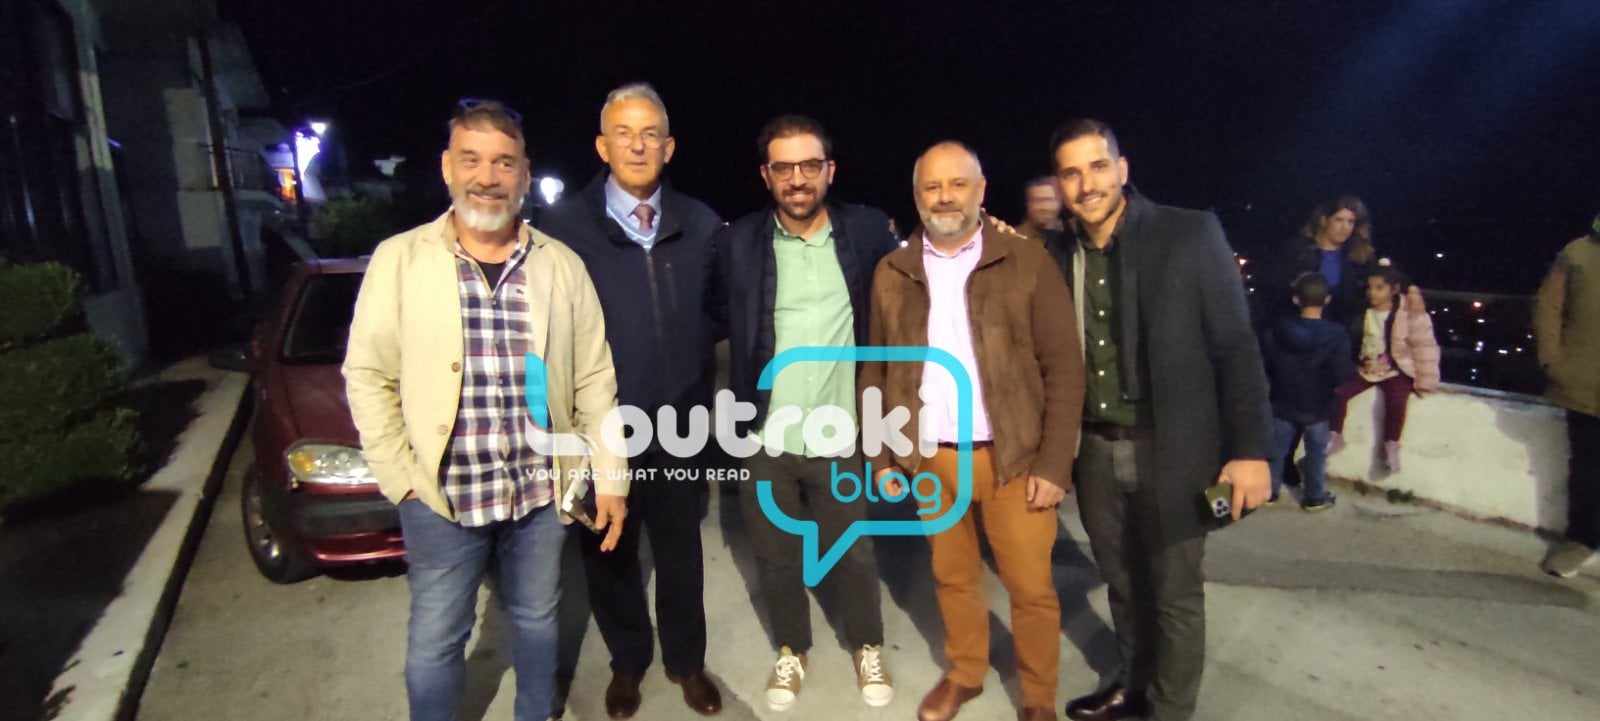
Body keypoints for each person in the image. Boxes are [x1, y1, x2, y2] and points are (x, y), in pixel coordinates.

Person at [342, 99, 627, 721]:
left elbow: (594, 379)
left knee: (537, 619)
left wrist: (610, 478)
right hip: (439, 497)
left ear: (524, 175)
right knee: (437, 638)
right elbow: (367, 374)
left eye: (504, 162)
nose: (487, 177)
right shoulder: (401, 260)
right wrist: (400, 478)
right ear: (448, 168)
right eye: (471, 160)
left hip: (539, 496)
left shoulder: (560, 266)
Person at [1050, 119, 1273, 721]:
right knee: (1122, 581)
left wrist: (1251, 451)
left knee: (1175, 590)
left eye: (1098, 167)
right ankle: (1133, 685)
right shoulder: (1057, 252)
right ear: (1059, 185)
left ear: (1122, 169)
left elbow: (1236, 346)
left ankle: (1169, 710)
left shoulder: (1189, 233)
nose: (1087, 184)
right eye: (1072, 173)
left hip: (1177, 450)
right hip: (1095, 451)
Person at [861, 140, 1084, 721]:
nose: (945, 197)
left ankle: (1038, 698)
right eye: (932, 186)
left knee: (1031, 588)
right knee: (952, 577)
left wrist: (1054, 463)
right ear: (916, 196)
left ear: (981, 191)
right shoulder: (893, 272)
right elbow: (876, 370)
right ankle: (965, 673)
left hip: (1014, 460)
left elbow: (1064, 367)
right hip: (932, 459)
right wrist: (881, 457)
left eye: (957, 183)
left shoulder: (1026, 262)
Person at [534, 82, 724, 719]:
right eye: (624, 133)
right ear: (602, 146)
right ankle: (628, 661)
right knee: (608, 553)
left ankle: (686, 662)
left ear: (669, 147)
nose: (637, 146)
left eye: (650, 134)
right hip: (602, 429)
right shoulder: (564, 229)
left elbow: (718, 311)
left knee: (681, 554)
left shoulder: (700, 224)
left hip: (679, 426)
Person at [713, 114, 902, 713]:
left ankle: (867, 644)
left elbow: (920, 274)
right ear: (766, 175)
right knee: (775, 558)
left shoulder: (866, 231)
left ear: (830, 170)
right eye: (784, 167)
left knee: (854, 553)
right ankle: (792, 649)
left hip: (840, 433)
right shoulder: (740, 242)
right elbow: (702, 311)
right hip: (764, 438)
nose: (798, 178)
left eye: (810, 165)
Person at [1534, 213, 1600, 579]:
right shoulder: (1577, 252)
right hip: (1585, 382)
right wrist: (1552, 360)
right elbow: (1549, 306)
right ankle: (1582, 540)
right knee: (1587, 466)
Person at [1327, 268, 1440, 472]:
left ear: (1394, 289)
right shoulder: (1362, 313)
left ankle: (1391, 444)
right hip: (1366, 368)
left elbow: (1424, 345)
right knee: (1339, 392)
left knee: (1397, 400)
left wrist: (1425, 380)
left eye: (1379, 288)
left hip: (1395, 369)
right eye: (1369, 288)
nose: (1372, 293)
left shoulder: (1406, 314)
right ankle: (1335, 435)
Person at [1260, 272, 1353, 510]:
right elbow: (1342, 373)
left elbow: (1266, 363)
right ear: (1327, 300)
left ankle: (1268, 492)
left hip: (1282, 399)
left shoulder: (1278, 329)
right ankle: (1314, 497)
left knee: (1276, 451)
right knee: (1316, 454)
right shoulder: (1336, 334)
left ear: (1296, 299)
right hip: (1319, 404)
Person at [1261, 196, 1379, 326]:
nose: (1345, 227)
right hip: (1295, 328)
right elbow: (1274, 291)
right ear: (1323, 220)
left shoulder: (1359, 259)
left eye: (1350, 222)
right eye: (1339, 220)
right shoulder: (1297, 251)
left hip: (1341, 331)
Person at [1016, 175, 1065, 244]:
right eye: (1037, 201)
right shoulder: (1016, 237)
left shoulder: (1073, 233)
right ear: (1027, 204)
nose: (1043, 207)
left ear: (1060, 201)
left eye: (1049, 200)